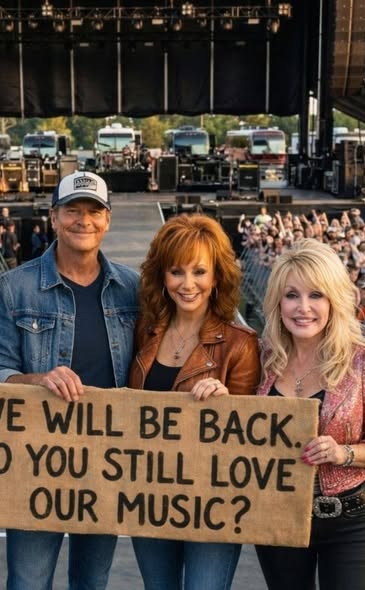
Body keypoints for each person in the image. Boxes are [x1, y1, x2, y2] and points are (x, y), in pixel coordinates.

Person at [0, 170, 139, 590]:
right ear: (53, 217)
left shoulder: (133, 289)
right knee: (28, 582)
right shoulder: (12, 288)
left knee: (92, 581)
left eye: (94, 211)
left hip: (106, 465)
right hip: (36, 462)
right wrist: (38, 380)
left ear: (107, 220)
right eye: (72, 210)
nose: (83, 221)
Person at [129, 213, 261, 590]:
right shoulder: (144, 331)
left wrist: (228, 404)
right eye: (177, 272)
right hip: (151, 494)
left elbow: (251, 439)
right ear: (162, 276)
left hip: (212, 501)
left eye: (199, 272)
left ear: (217, 277)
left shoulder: (241, 344)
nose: (188, 284)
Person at [255, 238, 365, 590]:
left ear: (333, 300)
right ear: (278, 302)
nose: (303, 308)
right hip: (279, 516)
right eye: (292, 295)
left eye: (316, 295)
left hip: (350, 521)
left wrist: (344, 453)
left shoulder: (364, 361)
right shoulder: (261, 357)